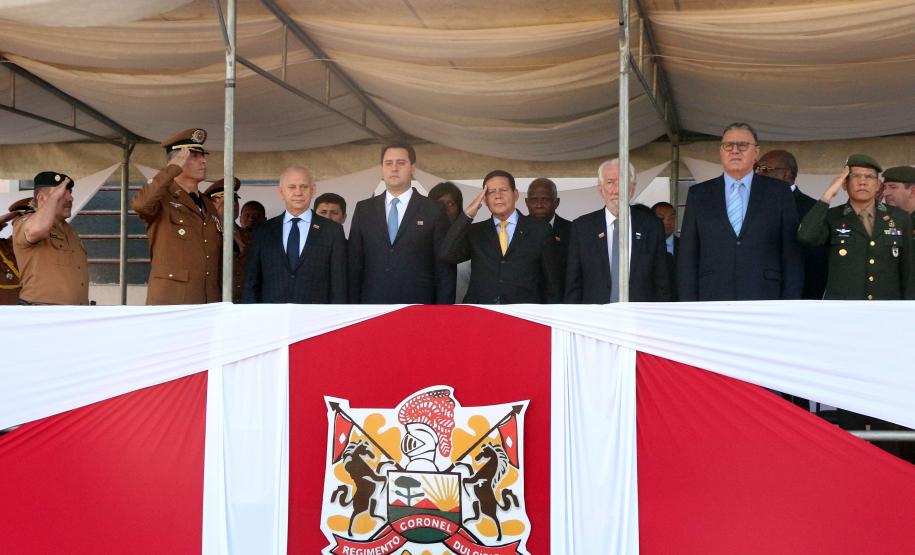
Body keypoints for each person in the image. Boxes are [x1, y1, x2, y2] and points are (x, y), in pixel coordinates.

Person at [678, 123, 803, 301]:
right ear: (721, 151)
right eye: (728, 145)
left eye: (743, 145)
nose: (734, 151)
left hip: (766, 296)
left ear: (756, 152)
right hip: (712, 297)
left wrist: (790, 302)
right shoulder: (699, 194)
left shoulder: (779, 192)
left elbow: (791, 254)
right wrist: (688, 304)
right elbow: (687, 256)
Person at [347, 143, 455, 304]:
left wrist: (443, 313)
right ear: (381, 168)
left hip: (419, 305)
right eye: (388, 163)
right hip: (371, 305)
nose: (394, 168)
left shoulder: (433, 210)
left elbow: (444, 267)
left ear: (413, 168)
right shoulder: (364, 209)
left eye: (401, 163)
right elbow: (354, 264)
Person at [798, 154, 914, 300]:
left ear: (878, 185)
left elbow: (909, 271)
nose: (862, 182)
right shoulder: (832, 217)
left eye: (869, 177)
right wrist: (828, 195)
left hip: (886, 308)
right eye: (856, 176)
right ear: (845, 184)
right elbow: (806, 236)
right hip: (844, 309)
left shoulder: (900, 218)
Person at [440, 170, 560, 304]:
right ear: (484, 199)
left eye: (503, 190)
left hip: (524, 315)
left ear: (515, 194)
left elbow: (552, 283)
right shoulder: (475, 231)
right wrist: (467, 215)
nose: (498, 196)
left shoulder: (540, 230)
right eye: (491, 192)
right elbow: (447, 254)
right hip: (482, 315)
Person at [132, 128, 222, 305]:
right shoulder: (162, 198)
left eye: (203, 155)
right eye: (194, 155)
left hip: (208, 300)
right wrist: (170, 170)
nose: (203, 160)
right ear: (177, 160)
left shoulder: (207, 204)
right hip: (172, 300)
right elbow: (140, 205)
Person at [565, 160, 671, 303]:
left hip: (640, 318)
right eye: (610, 182)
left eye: (623, 182)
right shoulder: (582, 227)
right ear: (600, 189)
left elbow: (662, 281)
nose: (616, 190)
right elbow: (574, 284)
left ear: (632, 188)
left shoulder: (651, 226)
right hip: (594, 319)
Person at [242, 166, 346, 303]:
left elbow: (339, 285)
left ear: (313, 190)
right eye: (292, 187)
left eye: (304, 187)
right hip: (272, 318)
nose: (298, 192)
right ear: (281, 192)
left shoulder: (332, 231)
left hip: (317, 319)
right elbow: (252, 282)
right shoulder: (263, 231)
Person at [756, 149, 828, 299]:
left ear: (786, 174)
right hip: (758, 297)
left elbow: (817, 264)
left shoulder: (811, 209)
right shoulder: (752, 206)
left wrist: (807, 301)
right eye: (757, 169)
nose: (759, 174)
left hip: (798, 301)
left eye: (765, 169)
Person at [12, 172, 88, 305]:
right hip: (41, 315)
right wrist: (54, 197)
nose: (70, 198)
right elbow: (36, 230)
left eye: (70, 193)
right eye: (63, 193)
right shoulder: (25, 222)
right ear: (41, 198)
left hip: (75, 316)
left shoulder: (70, 231)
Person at [203, 177, 248, 303]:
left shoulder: (248, 235)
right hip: (215, 305)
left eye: (235, 200)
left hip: (245, 306)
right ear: (211, 204)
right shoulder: (203, 234)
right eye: (226, 200)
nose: (232, 204)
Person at [525, 177, 571, 290]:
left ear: (556, 202)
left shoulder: (572, 230)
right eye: (534, 200)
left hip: (562, 301)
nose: (539, 205)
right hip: (526, 302)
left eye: (545, 199)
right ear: (526, 202)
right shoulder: (515, 230)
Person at [429, 181, 470, 302]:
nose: (444, 208)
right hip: (427, 311)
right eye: (439, 203)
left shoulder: (469, 238)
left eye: (451, 203)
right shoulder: (420, 239)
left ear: (459, 208)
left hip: (465, 312)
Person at [0, 198, 34, 305]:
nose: (29, 227)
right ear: (14, 223)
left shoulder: (52, 249)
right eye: (23, 220)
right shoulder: (3, 248)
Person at [651, 201, 678, 300]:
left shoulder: (686, 246)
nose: (667, 222)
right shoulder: (644, 247)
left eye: (671, 217)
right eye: (661, 218)